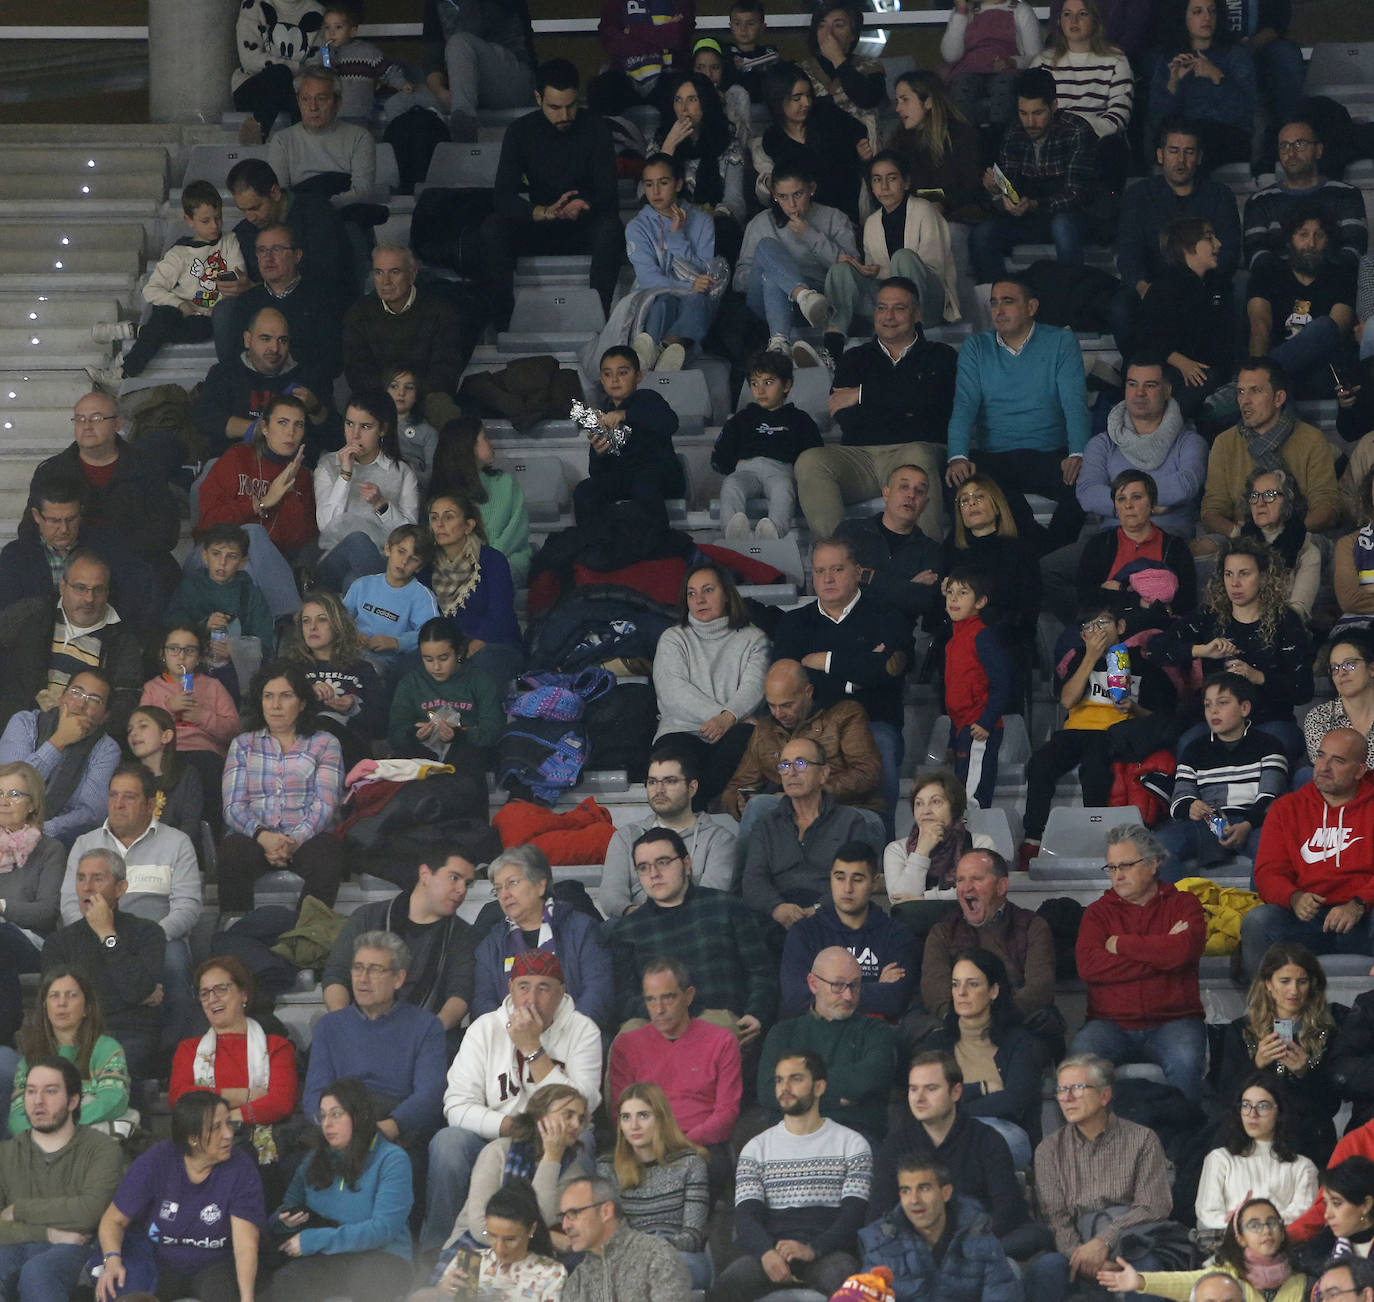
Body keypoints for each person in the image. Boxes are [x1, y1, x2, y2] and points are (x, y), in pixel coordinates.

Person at [426, 950, 602, 1250]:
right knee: (448, 1142)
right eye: (523, 987)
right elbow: (456, 1105)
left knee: (585, 1138)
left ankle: (573, 1252)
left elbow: (585, 1104)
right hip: (495, 1135)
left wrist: (533, 1049)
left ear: (561, 992)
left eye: (544, 988)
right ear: (511, 989)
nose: (531, 999)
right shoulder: (485, 1028)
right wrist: (510, 1126)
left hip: (557, 1138)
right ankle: (437, 1250)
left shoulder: (583, 1030)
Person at [795, 278, 957, 542]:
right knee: (811, 461)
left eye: (899, 308)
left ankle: (928, 565)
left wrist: (862, 395)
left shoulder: (941, 355)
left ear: (916, 314)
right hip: (861, 456)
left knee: (917, 453)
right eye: (882, 308)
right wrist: (904, 403)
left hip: (916, 449)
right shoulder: (854, 358)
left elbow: (933, 404)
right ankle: (840, 560)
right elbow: (845, 415)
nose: (888, 316)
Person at [772, 536, 914, 827]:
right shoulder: (793, 623)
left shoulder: (888, 616)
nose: (827, 578)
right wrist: (856, 677)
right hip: (811, 725)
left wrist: (824, 661)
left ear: (858, 572)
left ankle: (881, 850)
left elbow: (888, 672)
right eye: (820, 571)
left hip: (876, 723)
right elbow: (786, 682)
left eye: (837, 569)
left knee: (882, 753)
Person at [945, 275, 1091, 554]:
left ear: (1031, 307)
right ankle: (1016, 553)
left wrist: (1079, 453)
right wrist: (958, 456)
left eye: (1008, 302)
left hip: (1050, 453)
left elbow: (1075, 403)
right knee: (954, 483)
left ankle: (1050, 554)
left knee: (1088, 484)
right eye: (994, 303)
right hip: (994, 456)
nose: (999, 311)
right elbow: (964, 406)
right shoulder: (976, 347)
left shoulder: (1060, 340)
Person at [1020, 599, 1177, 857]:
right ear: (1082, 634)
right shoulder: (1078, 660)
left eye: (1103, 622)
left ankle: (1099, 841)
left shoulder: (1142, 665)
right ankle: (1033, 838)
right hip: (1075, 731)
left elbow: (1160, 715)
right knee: (1040, 763)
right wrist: (1090, 658)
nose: (1097, 630)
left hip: (1115, 733)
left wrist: (1134, 709)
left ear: (1121, 626)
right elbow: (1068, 700)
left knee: (1095, 769)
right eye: (1089, 626)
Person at [714, 1049, 871, 1302]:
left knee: (847, 1283)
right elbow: (746, 1216)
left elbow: (853, 1215)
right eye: (779, 1080)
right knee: (727, 1284)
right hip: (772, 1252)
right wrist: (766, 1253)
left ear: (819, 1087)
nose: (784, 1087)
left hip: (829, 1253)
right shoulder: (756, 1148)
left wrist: (813, 1249)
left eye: (795, 1079)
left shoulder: (852, 1144)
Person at [62, 765, 202, 1046]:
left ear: (151, 804)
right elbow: (69, 904)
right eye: (113, 795)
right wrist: (101, 935)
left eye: (129, 797)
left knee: (173, 964)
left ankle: (170, 1053)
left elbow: (188, 906)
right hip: (96, 934)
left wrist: (150, 939)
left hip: (161, 937)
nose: (118, 804)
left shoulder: (177, 843)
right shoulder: (85, 844)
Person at [480, 59, 621, 331]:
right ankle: (502, 325)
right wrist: (541, 212)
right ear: (538, 98)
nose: (564, 115)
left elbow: (608, 194)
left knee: (611, 229)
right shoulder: (520, 131)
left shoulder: (596, 128)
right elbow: (502, 196)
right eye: (555, 107)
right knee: (493, 227)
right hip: (538, 225)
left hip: (583, 225)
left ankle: (597, 321)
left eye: (571, 106)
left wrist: (581, 206)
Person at [1069, 825, 1208, 1101]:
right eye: (1111, 868)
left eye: (1125, 866)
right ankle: (1087, 1144)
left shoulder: (1185, 903)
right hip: (1109, 1024)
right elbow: (1089, 966)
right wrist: (1163, 950)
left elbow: (1183, 954)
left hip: (1175, 1021)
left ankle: (1186, 1142)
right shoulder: (1097, 913)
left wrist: (1121, 945)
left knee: (1186, 1061)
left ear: (1153, 864)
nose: (1117, 876)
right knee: (1078, 1066)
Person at [1149, 536, 1312, 761]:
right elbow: (1155, 648)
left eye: (1244, 574)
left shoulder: (1285, 620)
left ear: (1264, 577)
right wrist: (1201, 651)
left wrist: (1257, 676)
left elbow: (1303, 690)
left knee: (1272, 748)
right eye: (1229, 574)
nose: (1235, 583)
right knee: (1186, 744)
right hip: (1216, 722)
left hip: (1269, 721)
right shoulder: (1210, 616)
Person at [93, 1091, 264, 1302]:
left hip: (215, 1264)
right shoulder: (157, 1160)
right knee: (122, 1291)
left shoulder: (240, 1167)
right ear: (192, 1138)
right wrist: (112, 1261)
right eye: (216, 1128)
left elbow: (246, 1244)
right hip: (159, 1261)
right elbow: (113, 1220)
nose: (229, 1134)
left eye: (229, 1123)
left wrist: (247, 1299)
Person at [1028, 1055, 1174, 1299]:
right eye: (1061, 1090)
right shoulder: (1049, 1150)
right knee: (1045, 1270)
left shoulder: (1142, 1139)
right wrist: (1082, 1256)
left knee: (1147, 1271)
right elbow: (1056, 1219)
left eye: (1077, 1088)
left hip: (1132, 1243)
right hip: (1076, 1249)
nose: (1066, 1097)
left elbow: (1152, 1206)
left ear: (1105, 1096)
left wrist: (1104, 1242)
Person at [609, 828, 775, 1039]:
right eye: (643, 867)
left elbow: (761, 972)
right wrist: (669, 1014)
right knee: (629, 1034)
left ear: (686, 864)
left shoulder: (727, 907)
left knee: (715, 1026)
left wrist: (757, 1013)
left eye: (663, 862)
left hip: (719, 1020)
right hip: (657, 1024)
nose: (654, 874)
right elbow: (623, 998)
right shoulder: (627, 930)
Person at [87, 180, 247, 391]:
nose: (215, 226)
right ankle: (125, 370)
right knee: (163, 315)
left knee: (171, 328)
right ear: (189, 220)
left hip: (210, 317)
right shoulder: (179, 252)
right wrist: (179, 304)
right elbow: (151, 289)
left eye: (218, 218)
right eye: (206, 221)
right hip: (180, 310)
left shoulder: (229, 241)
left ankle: (133, 335)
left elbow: (238, 273)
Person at [263, 1078, 411, 1302]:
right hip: (332, 1256)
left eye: (336, 1114)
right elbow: (281, 1213)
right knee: (287, 1280)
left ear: (359, 1116)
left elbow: (382, 1230)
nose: (326, 1124)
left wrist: (314, 1240)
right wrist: (284, 1222)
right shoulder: (314, 1159)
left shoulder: (391, 1159)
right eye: (322, 1116)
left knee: (369, 1282)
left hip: (384, 1256)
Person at [218, 659, 345, 913]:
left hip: (307, 837)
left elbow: (326, 806)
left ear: (302, 702)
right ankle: (238, 933)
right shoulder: (243, 744)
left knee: (328, 855)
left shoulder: (325, 743)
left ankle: (306, 938)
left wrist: (292, 841)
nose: (275, 705)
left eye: (285, 696)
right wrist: (264, 837)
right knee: (232, 854)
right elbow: (233, 806)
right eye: (268, 696)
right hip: (255, 836)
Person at [873, 1053, 1033, 1251]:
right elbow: (879, 1214)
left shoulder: (987, 1140)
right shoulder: (895, 1147)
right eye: (913, 1089)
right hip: (915, 1253)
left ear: (956, 1092)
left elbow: (1008, 1209)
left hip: (978, 1248)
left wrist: (962, 1242)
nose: (919, 1098)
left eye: (931, 1089)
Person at [301, 931, 447, 1148]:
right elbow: (315, 1092)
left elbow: (429, 1095)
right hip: (340, 1124)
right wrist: (335, 1126)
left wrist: (389, 1127)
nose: (362, 979)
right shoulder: (329, 1026)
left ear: (398, 978)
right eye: (358, 968)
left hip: (397, 1129)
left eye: (375, 970)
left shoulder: (425, 1026)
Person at [1246, 727, 1374, 968]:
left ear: (1360, 770)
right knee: (1259, 920)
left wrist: (1359, 904)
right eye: (1321, 756)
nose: (1324, 767)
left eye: (1337, 760)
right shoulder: (1287, 808)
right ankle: (1263, 1005)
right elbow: (1268, 872)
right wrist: (1293, 897)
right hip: (1307, 919)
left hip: (1364, 916)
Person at [0, 1056, 124, 1301]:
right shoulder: (6, 1153)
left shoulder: (102, 1149)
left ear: (73, 1100)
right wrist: (49, 1234)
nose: (38, 1101)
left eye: (50, 1091)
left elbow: (89, 1211)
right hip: (20, 1245)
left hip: (77, 1249)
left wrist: (19, 1209)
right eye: (31, 1091)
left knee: (38, 1272)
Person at [1112, 120, 1242, 352]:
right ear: (1160, 155)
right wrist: (1146, 290)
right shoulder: (1138, 195)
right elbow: (1129, 254)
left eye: (1188, 152)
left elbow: (1229, 254)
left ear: (1199, 157)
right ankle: (1137, 372)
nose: (1181, 160)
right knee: (1122, 307)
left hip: (1205, 287)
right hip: (1151, 286)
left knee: (1226, 301)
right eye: (1174, 151)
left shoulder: (1219, 195)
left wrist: (1196, 289)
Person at [320, 852, 478, 1034]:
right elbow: (336, 974)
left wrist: (427, 1033)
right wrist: (347, 1026)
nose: (462, 890)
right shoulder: (367, 917)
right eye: (454, 878)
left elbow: (460, 994)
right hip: (359, 1031)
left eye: (467, 884)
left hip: (427, 1039)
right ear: (425, 874)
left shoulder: (464, 935)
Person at [193, 391, 318, 620]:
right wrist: (260, 503)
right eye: (282, 423)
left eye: (298, 425)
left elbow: (297, 542)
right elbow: (208, 522)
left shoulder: (302, 478)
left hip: (267, 567)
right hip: (211, 556)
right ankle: (295, 621)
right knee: (253, 532)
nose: (290, 432)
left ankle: (257, 643)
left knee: (249, 568)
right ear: (265, 428)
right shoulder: (237, 458)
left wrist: (288, 496)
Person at [42, 849, 165, 1081]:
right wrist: (129, 998)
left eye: (97, 878)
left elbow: (135, 989)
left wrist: (106, 934)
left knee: (117, 1062)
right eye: (81, 878)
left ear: (120, 888)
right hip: (74, 1034)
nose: (87, 887)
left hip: (129, 1034)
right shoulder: (59, 941)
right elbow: (55, 1002)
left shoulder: (148, 933)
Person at [1215, 943, 1343, 1165]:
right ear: (1268, 984)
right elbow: (1227, 1096)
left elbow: (1330, 1105)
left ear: (1312, 984)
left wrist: (1307, 1072)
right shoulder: (1241, 1030)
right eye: (1285, 981)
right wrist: (1256, 1064)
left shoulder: (1329, 1028)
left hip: (1309, 1136)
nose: (1293, 991)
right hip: (1255, 1134)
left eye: (1301, 982)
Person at [740, 737, 886, 931]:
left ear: (824, 773)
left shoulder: (850, 821)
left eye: (800, 764)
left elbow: (856, 878)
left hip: (832, 916)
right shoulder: (766, 824)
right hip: (777, 917)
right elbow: (753, 880)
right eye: (784, 765)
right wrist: (777, 907)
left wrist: (818, 909)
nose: (791, 772)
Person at [1073, 359, 1207, 568]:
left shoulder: (1189, 441)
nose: (1139, 393)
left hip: (1168, 539)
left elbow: (1186, 483)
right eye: (1132, 384)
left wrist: (1122, 502)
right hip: (1111, 540)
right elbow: (1087, 492)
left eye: (1150, 385)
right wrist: (1147, 504)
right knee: (1049, 571)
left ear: (1167, 390)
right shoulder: (1102, 444)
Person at [652, 565, 769, 805]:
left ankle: (695, 810)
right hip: (681, 730)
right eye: (691, 593)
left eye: (708, 590)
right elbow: (674, 693)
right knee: (674, 768)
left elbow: (755, 685)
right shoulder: (673, 638)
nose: (699, 600)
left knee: (748, 738)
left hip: (734, 729)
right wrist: (724, 716)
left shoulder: (753, 638)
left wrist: (728, 719)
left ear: (726, 594)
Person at [30, 394, 178, 581]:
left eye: (97, 418)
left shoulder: (146, 468)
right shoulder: (52, 471)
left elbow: (166, 532)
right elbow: (30, 528)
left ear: (117, 424)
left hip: (132, 564)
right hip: (68, 565)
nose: (87, 426)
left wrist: (114, 549)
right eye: (80, 419)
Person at [971, 68, 1098, 282]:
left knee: (1062, 225)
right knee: (982, 235)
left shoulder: (1076, 131)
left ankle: (1071, 295)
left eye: (1038, 113)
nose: (1030, 122)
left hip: (1074, 215)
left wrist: (1035, 204)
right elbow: (1008, 186)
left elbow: (1077, 193)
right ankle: (1000, 299)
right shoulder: (1014, 133)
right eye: (1023, 113)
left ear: (1054, 106)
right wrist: (997, 192)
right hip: (1029, 217)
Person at [0, 552, 141, 746]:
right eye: (80, 588)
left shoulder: (122, 641)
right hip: (16, 726)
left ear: (107, 593)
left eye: (98, 590)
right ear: (63, 587)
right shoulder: (31, 613)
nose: (89, 598)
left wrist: (80, 721)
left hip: (81, 740)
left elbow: (125, 704)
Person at [825, 151, 961, 352]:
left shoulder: (924, 210)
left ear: (906, 183)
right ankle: (834, 341)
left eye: (892, 178)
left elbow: (934, 267)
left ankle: (914, 334)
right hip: (890, 305)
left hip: (926, 302)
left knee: (903, 257)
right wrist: (864, 271)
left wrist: (890, 274)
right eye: (877, 180)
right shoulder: (871, 223)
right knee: (841, 271)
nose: (884, 186)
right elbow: (879, 274)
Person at [756, 947, 896, 1140]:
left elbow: (871, 1078)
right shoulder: (783, 1032)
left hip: (856, 1137)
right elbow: (767, 1091)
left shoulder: (876, 1031)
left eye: (854, 985)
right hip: (792, 1140)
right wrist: (841, 1098)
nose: (848, 996)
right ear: (813, 984)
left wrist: (798, 1089)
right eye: (838, 985)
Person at [721, 658, 883, 824]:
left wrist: (810, 791)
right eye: (771, 705)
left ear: (808, 692)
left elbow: (867, 773)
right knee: (757, 807)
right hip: (790, 817)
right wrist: (738, 801)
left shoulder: (844, 715)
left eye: (787, 705)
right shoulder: (764, 731)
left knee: (761, 807)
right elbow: (737, 786)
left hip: (847, 810)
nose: (778, 714)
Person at [1156, 672, 1288, 873]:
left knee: (1273, 849)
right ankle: (1184, 903)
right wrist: (1191, 807)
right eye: (1208, 705)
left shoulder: (1269, 745)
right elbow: (1179, 800)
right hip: (1209, 823)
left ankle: (1262, 905)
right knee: (1158, 846)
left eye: (1223, 703)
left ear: (1244, 708)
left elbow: (1271, 798)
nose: (1213, 711)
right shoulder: (1194, 749)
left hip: (1255, 824)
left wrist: (1247, 824)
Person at [607, 959, 743, 1152]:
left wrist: (681, 1144)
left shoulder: (722, 1041)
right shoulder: (626, 1045)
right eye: (650, 1000)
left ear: (688, 996)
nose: (659, 1009)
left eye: (668, 998)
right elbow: (619, 1111)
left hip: (702, 1145)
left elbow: (726, 1113)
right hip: (645, 1146)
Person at [472, 845, 613, 1028]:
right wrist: (513, 1037)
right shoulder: (493, 943)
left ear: (540, 885)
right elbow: (483, 1003)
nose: (504, 895)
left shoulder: (581, 929)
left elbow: (598, 993)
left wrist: (568, 1035)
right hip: (511, 1043)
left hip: (573, 1040)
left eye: (512, 883)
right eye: (498, 889)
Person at [919, 849, 1059, 1031]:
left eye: (976, 879)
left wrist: (994, 1019)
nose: (966, 887)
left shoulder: (1033, 926)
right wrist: (962, 1019)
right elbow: (934, 987)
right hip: (959, 1023)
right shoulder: (943, 931)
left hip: (1016, 1021)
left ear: (1001, 886)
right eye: (960, 880)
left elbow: (1039, 987)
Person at [170, 956, 297, 1156]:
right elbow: (181, 1099)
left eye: (221, 989)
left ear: (244, 994)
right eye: (205, 993)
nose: (212, 999)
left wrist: (224, 1121)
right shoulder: (188, 1049)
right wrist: (245, 1095)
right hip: (202, 1144)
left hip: (258, 1145)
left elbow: (280, 1103)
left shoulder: (276, 1047)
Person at [0, 471, 156, 633]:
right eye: (54, 521)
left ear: (81, 512)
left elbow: (134, 600)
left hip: (101, 640)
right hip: (35, 644)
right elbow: (9, 616)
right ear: (37, 516)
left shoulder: (108, 547)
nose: (64, 529)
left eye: (71, 519)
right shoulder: (15, 557)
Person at [733, 163, 855, 367]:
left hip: (820, 302)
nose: (791, 204)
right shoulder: (761, 223)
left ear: (812, 189)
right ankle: (801, 295)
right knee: (767, 252)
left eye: (797, 194)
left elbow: (851, 272)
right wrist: (778, 273)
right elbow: (739, 281)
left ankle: (780, 342)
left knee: (773, 276)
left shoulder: (834, 218)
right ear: (774, 195)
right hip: (767, 303)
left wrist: (811, 236)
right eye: (782, 196)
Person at [780, 843, 916, 1020]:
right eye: (840, 878)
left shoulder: (897, 935)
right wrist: (876, 986)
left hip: (876, 1035)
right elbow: (796, 998)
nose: (847, 888)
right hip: (816, 1035)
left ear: (875, 883)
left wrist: (826, 990)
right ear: (830, 878)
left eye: (858, 879)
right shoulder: (804, 932)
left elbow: (895, 999)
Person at [859, 1156, 1023, 1302]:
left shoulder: (980, 1239)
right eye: (906, 1191)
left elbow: (1001, 1295)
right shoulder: (881, 1242)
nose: (914, 1200)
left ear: (946, 1193)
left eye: (924, 1188)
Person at [444, 1085, 589, 1248]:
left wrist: (552, 1158)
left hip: (531, 1253)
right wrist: (548, 1238)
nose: (576, 1125)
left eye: (581, 1119)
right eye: (568, 1115)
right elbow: (479, 1227)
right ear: (540, 1116)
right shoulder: (498, 1151)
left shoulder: (573, 1171)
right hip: (474, 1245)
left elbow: (541, 1218)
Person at [600, 748, 739, 917]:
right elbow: (611, 896)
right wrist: (641, 919)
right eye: (652, 782)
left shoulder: (719, 840)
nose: (659, 790)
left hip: (694, 929)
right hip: (637, 926)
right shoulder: (627, 836)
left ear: (692, 787)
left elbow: (710, 900)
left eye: (670, 781)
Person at [212, 221, 342, 401]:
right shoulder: (246, 301)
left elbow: (331, 361)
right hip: (255, 396)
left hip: (305, 395)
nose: (268, 257)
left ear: (297, 255)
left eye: (277, 249)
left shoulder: (321, 298)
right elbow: (236, 359)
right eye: (262, 250)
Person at [341, 246, 467, 432]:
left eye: (395, 272)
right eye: (378, 272)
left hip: (426, 395)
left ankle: (452, 461)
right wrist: (390, 394)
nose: (386, 281)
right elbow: (357, 371)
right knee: (358, 413)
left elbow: (447, 369)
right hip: (379, 396)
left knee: (444, 409)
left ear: (413, 274)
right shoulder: (358, 313)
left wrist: (409, 392)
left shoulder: (440, 311)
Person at [930, 949, 1048, 1142]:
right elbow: (929, 1098)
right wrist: (982, 1088)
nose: (961, 993)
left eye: (973, 984)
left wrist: (951, 1108)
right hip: (948, 1135)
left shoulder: (1022, 1044)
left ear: (994, 990)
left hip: (1005, 1134)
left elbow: (1012, 1102)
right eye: (955, 984)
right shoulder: (937, 1042)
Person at [599, 1083, 710, 1288]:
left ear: (661, 1118)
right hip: (628, 1258)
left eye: (643, 1115)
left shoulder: (690, 1163)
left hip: (679, 1254)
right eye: (626, 1117)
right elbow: (610, 1235)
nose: (634, 1126)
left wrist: (655, 1249)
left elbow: (693, 1236)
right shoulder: (607, 1168)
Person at [193, 307, 337, 462]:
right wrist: (260, 430)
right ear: (248, 340)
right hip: (234, 464)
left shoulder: (307, 375)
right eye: (266, 339)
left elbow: (334, 438)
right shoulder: (225, 372)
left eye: (282, 340)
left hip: (293, 467)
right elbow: (206, 420)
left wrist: (315, 409)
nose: (275, 348)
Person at [0, 669, 123, 851]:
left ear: (105, 715)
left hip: (53, 841)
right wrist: (59, 740)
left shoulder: (106, 749)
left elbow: (91, 813)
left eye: (94, 700)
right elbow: (11, 789)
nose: (81, 704)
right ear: (62, 697)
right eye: (76, 692)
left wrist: (37, 831)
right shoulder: (25, 722)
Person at [313, 388, 420, 594]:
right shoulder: (328, 464)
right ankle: (395, 601)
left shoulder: (401, 471)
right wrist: (345, 475)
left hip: (382, 559)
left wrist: (383, 505)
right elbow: (325, 525)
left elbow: (410, 538)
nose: (354, 434)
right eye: (349, 424)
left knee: (353, 582)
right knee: (357, 539)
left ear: (382, 429)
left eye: (365, 426)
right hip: (333, 557)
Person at [625, 151, 724, 373]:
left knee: (697, 301)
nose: (656, 191)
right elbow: (648, 278)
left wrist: (677, 237)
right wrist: (687, 285)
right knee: (662, 302)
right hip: (656, 294)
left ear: (678, 184)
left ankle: (666, 348)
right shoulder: (637, 226)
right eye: (649, 185)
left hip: (693, 298)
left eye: (663, 182)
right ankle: (653, 356)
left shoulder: (702, 220)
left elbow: (703, 270)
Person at [1098, 1199, 1307, 1302]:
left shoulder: (1303, 1282)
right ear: (1240, 1238)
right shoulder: (1226, 1274)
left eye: (1272, 1223)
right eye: (1254, 1225)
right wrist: (1141, 1281)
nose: (1266, 1231)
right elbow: (1183, 1283)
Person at [387, 618, 502, 804]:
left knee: (470, 759)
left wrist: (460, 734)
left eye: (443, 658)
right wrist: (414, 733)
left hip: (466, 755)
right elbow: (395, 732)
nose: (436, 667)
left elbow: (493, 731)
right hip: (423, 752)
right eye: (428, 659)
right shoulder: (411, 682)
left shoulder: (480, 681)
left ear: (459, 652)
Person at [1246, 206, 1358, 398]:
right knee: (1279, 384)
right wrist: (1258, 370)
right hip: (1281, 377)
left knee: (1324, 327)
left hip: (1321, 371)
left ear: (1328, 240)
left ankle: (1252, 385)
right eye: (1303, 235)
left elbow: (1335, 330)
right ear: (1290, 240)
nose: (1311, 243)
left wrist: (1256, 378)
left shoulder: (1341, 276)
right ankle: (1259, 382)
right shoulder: (1266, 274)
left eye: (1319, 235)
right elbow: (1260, 326)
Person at [416, 492, 524, 686]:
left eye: (448, 517)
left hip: (494, 643)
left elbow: (500, 615)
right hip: (445, 648)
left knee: (481, 665)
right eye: (434, 518)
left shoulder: (492, 560)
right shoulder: (426, 566)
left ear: (468, 525)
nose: (439, 524)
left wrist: (461, 654)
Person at [713, 349, 823, 541]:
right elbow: (721, 454)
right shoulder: (741, 419)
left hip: (782, 471)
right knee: (731, 484)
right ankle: (733, 530)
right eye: (754, 383)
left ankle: (773, 532)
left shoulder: (800, 420)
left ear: (787, 385)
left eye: (768, 382)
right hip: (746, 469)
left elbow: (814, 455)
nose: (760, 390)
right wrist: (733, 464)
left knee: (783, 489)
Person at [7, 968, 130, 1136]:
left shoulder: (107, 1049)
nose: (61, 1003)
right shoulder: (29, 1061)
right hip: (42, 1147)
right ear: (45, 1008)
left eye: (71, 995)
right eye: (54, 996)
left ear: (86, 1007)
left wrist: (60, 1124)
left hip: (91, 1143)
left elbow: (114, 1101)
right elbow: (17, 1117)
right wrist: (48, 1134)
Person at [1133, 219, 1235, 422]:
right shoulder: (1164, 288)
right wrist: (1180, 361)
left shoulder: (1220, 285)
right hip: (1173, 372)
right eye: (1209, 238)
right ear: (1186, 246)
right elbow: (1145, 337)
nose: (1218, 243)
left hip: (1212, 372)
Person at [1243, 117, 1369, 277]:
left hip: (1334, 289)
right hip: (1278, 290)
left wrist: (1314, 281)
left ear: (1318, 150)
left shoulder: (1346, 194)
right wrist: (1297, 282)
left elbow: (1354, 250)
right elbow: (1256, 255)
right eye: (1284, 146)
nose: (1291, 152)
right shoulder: (1260, 201)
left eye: (1300, 144)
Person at [226, 158, 354, 308]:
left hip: (319, 309)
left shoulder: (318, 215)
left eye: (256, 208)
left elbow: (326, 280)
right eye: (243, 210)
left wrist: (256, 290)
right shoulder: (244, 232)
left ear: (274, 193)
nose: (250, 217)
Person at [1195, 1075, 1318, 1232]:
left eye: (1263, 1106)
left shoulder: (1303, 1167)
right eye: (1246, 1105)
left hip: (1284, 1248)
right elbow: (1207, 1214)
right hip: (1228, 1247)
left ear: (1280, 1112)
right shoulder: (1220, 1159)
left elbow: (1302, 1216)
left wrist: (1253, 1223)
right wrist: (1245, 1226)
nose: (1253, 1114)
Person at [750, 64, 868, 226]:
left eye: (808, 96)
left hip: (846, 211)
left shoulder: (826, 114)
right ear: (778, 100)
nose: (806, 103)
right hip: (806, 216)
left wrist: (862, 150)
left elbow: (860, 133)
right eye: (797, 98)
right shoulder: (773, 138)